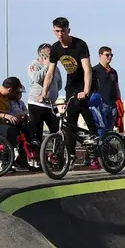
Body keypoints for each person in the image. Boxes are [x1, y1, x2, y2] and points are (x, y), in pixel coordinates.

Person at [38, 17, 96, 159]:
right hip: (71, 84)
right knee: (69, 122)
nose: (60, 34)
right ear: (53, 31)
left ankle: (96, 141)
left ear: (68, 30)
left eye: (63, 31)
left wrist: (86, 90)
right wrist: (43, 93)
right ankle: (70, 156)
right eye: (57, 31)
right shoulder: (56, 48)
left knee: (82, 107)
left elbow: (87, 69)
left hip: (85, 83)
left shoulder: (80, 44)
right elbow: (50, 73)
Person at [27, 43, 62, 146]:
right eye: (49, 53)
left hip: (51, 105)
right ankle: (37, 155)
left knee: (55, 130)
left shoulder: (56, 68)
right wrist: (46, 66)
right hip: (36, 104)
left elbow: (59, 84)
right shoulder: (33, 65)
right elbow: (36, 78)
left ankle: (56, 155)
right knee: (37, 131)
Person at [92, 47, 121, 133]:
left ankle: (107, 146)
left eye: (111, 55)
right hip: (101, 105)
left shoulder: (113, 72)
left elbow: (117, 87)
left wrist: (119, 101)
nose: (110, 57)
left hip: (113, 105)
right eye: (107, 55)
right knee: (100, 130)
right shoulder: (95, 70)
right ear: (100, 55)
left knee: (110, 132)